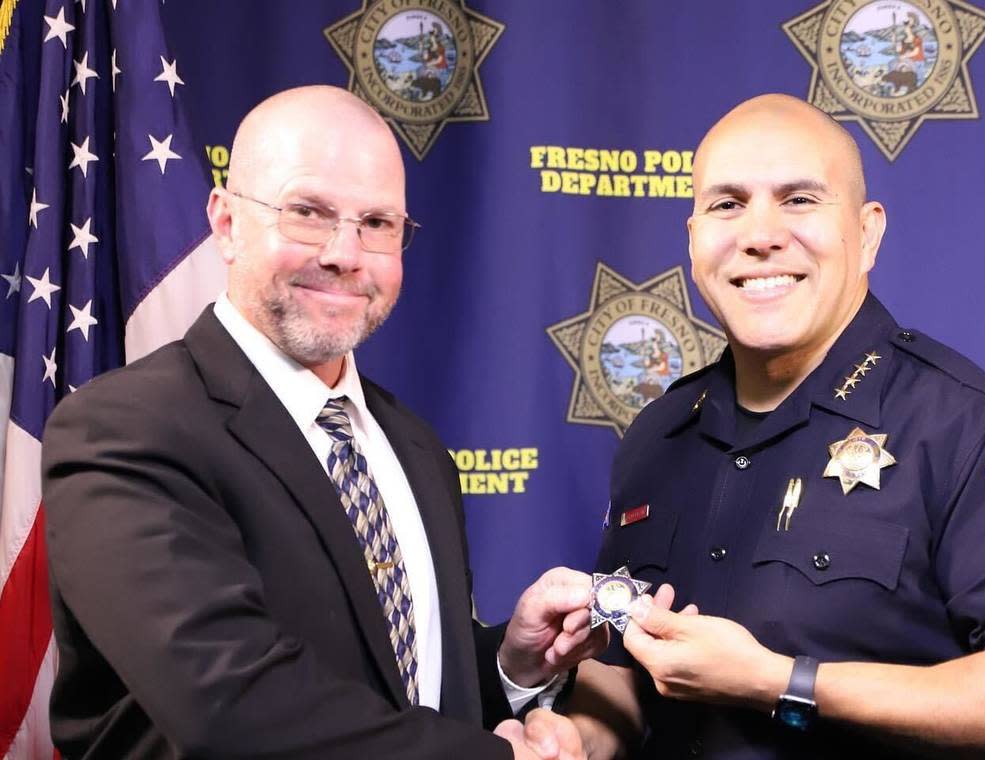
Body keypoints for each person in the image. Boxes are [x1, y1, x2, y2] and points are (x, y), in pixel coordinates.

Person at [535, 94, 985, 758]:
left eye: (799, 200)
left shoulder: (978, 434)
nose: (758, 235)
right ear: (694, 237)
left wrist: (781, 682)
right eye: (727, 204)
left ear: (868, 233)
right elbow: (622, 670)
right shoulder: (657, 436)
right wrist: (576, 735)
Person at [41, 86, 601, 759]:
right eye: (307, 212)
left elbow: (395, 696)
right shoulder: (124, 431)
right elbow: (231, 708)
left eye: (378, 223)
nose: (345, 252)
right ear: (225, 223)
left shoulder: (414, 448)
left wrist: (509, 665)